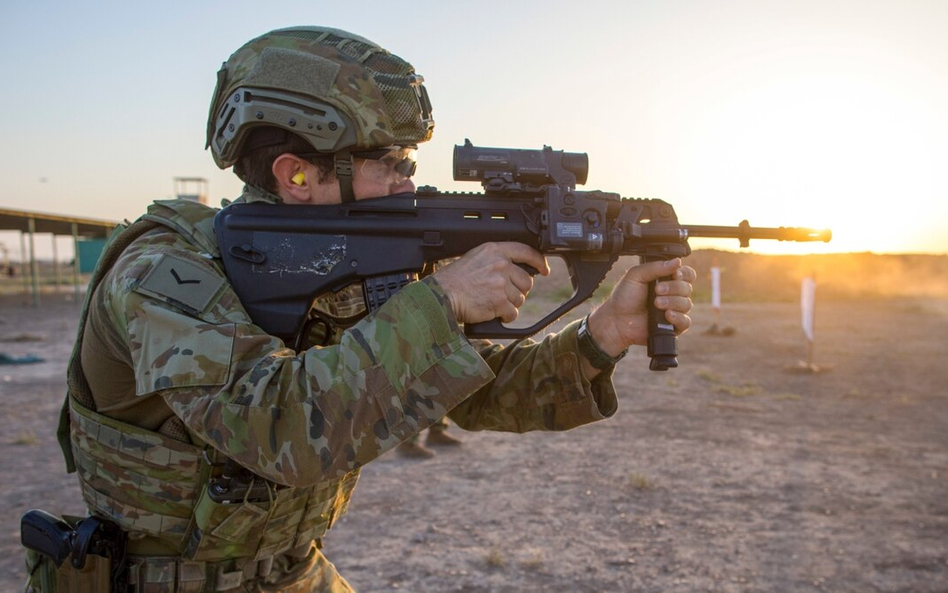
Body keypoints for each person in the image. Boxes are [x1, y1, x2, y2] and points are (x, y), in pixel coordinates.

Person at [31, 26, 695, 592]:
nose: (410, 182)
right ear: (298, 176)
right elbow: (281, 432)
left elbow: (471, 392)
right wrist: (442, 300)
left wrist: (604, 333)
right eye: (391, 161)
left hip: (290, 572)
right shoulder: (161, 275)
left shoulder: (353, 262)